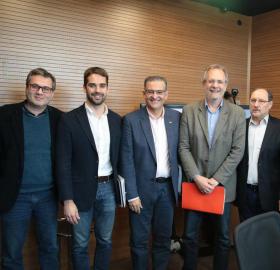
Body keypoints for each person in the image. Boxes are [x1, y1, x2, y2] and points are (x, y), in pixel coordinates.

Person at [179, 64, 245, 270]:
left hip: (222, 187)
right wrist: (197, 177)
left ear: (225, 85)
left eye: (219, 81)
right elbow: (183, 147)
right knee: (189, 236)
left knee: (223, 237)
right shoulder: (189, 110)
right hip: (195, 184)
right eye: (211, 81)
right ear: (204, 84)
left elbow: (237, 150)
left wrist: (215, 180)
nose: (214, 85)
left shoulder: (237, 113)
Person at [56, 67, 121, 269]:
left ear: (107, 88)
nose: (97, 90)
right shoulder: (69, 119)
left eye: (102, 85)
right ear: (84, 87)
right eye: (92, 85)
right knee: (80, 244)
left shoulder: (117, 120)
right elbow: (62, 162)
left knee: (105, 240)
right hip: (79, 193)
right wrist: (67, 200)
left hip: (109, 189)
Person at [0, 68, 62, 269]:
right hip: (15, 197)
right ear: (27, 87)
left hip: (48, 197)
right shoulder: (4, 115)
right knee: (11, 252)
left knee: (50, 248)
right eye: (35, 86)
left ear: (52, 93)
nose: (40, 92)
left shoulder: (61, 119)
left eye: (46, 88)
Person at [120, 76, 180, 270]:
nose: (155, 96)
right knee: (139, 241)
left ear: (166, 94)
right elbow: (126, 159)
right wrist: (132, 194)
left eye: (159, 92)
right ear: (144, 93)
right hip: (141, 192)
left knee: (163, 240)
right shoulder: (131, 120)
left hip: (167, 190)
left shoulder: (176, 118)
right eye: (150, 92)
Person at [236, 88, 280, 221]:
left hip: (270, 195)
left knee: (267, 237)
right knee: (246, 234)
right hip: (245, 193)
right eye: (253, 100)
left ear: (270, 104)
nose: (256, 104)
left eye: (261, 101)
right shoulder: (240, 126)